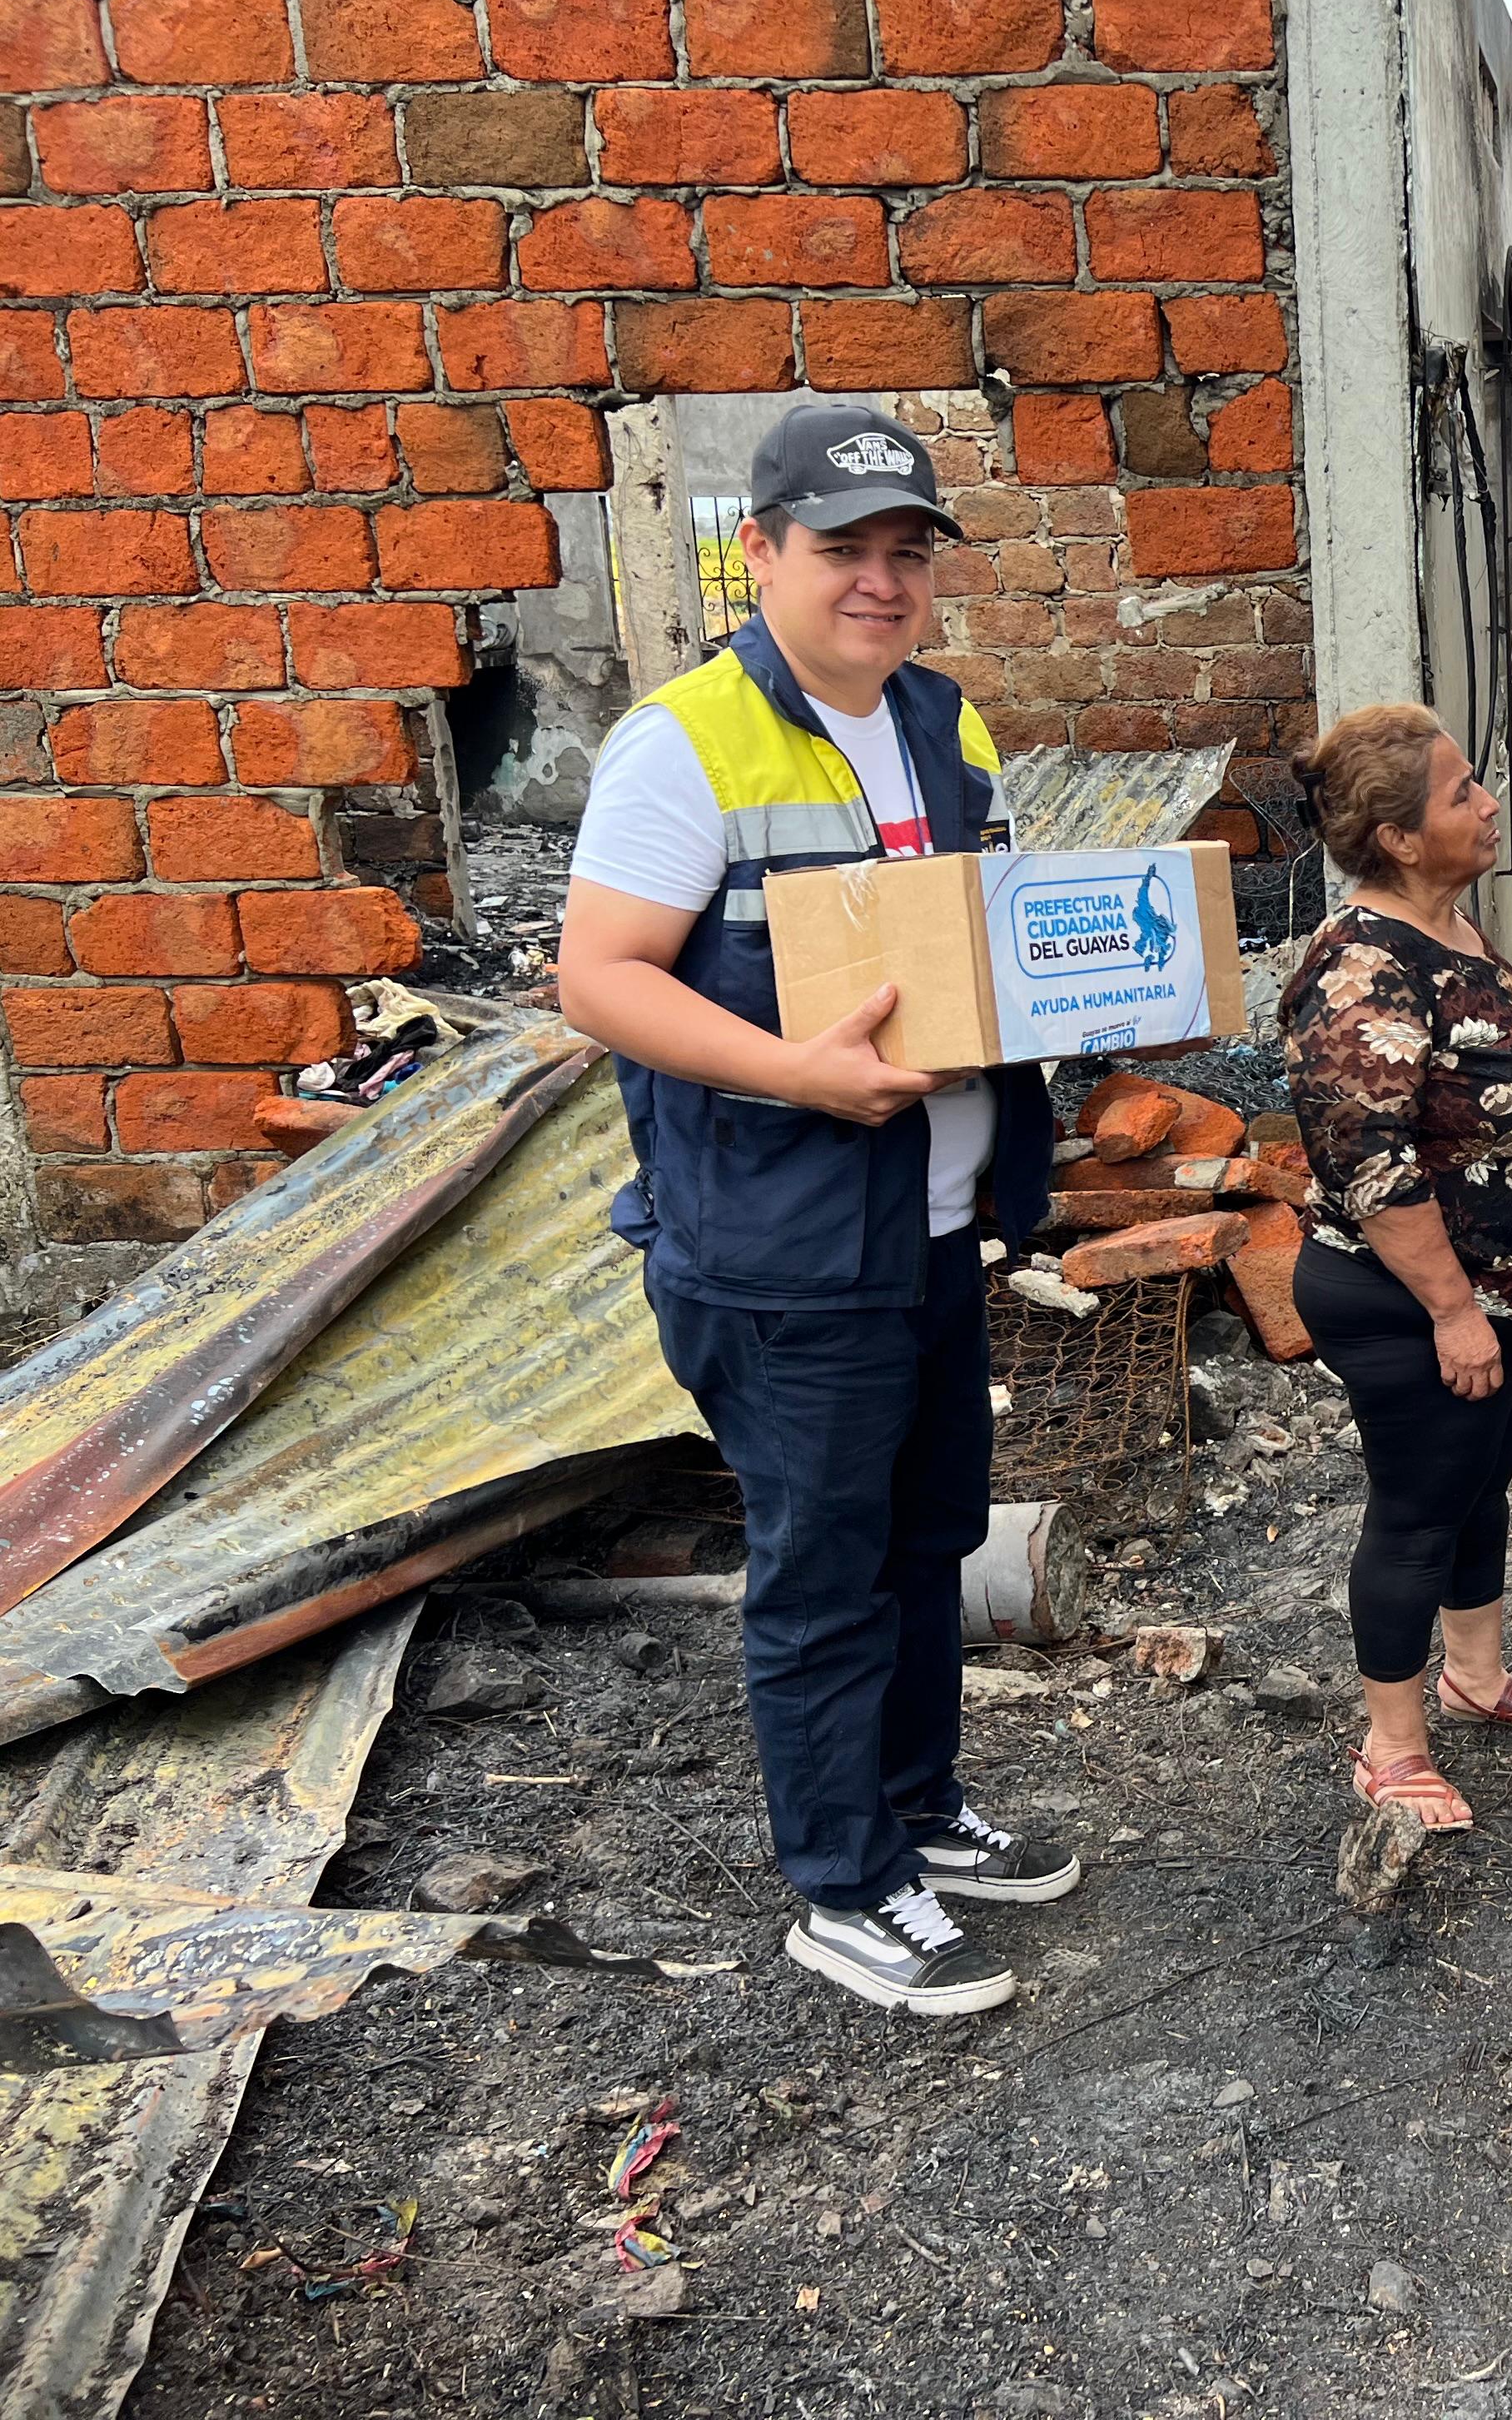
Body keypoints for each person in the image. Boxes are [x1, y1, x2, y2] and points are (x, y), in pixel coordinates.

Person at [555, 402, 1075, 2019]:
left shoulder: (944, 720)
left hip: (932, 1227)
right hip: (787, 1255)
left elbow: (978, 944)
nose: (880, 580)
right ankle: (844, 1888)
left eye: (908, 551)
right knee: (824, 1572)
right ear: (763, 551)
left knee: (926, 1541)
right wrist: (797, 1074)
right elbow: (598, 978)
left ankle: (915, 1809)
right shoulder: (686, 741)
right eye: (844, 548)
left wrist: (1101, 997)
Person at [1282, 703, 1512, 1830]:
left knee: (1475, 1488)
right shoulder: (1361, 968)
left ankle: (1476, 1678)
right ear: (1400, 837)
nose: (1489, 803)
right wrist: (1455, 1312)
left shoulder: (1452, 928)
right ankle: (1393, 1745)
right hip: (1414, 1301)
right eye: (1463, 791)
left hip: (1511, 1291)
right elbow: (1367, 1163)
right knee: (1418, 1515)